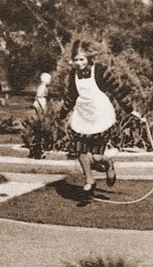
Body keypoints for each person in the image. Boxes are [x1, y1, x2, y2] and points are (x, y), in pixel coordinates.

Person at [56, 40, 144, 193]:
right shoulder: (73, 75)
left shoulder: (101, 71)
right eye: (75, 60)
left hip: (100, 115)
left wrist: (131, 110)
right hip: (82, 114)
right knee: (79, 149)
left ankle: (109, 164)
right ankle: (89, 179)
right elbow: (71, 96)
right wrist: (61, 114)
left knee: (97, 157)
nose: (78, 63)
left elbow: (117, 91)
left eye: (81, 59)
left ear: (89, 58)